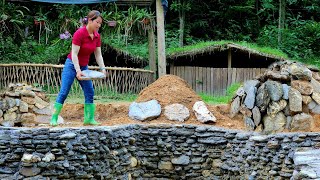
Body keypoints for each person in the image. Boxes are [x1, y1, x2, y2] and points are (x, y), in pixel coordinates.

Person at [50, 10, 107, 126]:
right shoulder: (79, 33)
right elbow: (74, 54)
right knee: (64, 91)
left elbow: (98, 54)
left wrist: (103, 69)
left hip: (84, 66)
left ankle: (89, 119)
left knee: (89, 91)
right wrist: (78, 71)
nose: (99, 25)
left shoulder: (97, 36)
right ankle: (54, 118)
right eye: (97, 22)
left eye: (100, 23)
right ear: (90, 21)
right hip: (71, 65)